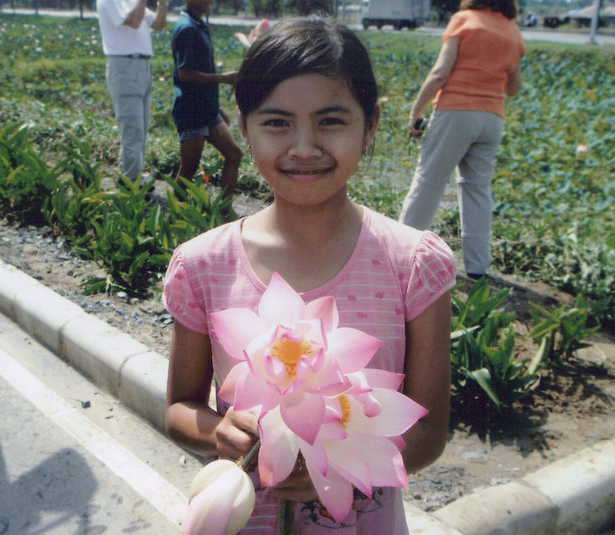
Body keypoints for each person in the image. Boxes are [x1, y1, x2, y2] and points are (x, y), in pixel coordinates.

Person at [162, 19, 455, 534]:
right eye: (276, 122)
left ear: (371, 126)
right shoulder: (203, 265)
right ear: (244, 125)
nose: (303, 146)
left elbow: (429, 432)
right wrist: (219, 433)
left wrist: (333, 463)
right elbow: (180, 408)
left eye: (331, 122)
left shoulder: (412, 264)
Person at [399, 0, 524, 279]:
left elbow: (440, 73)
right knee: (477, 189)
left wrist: (416, 109)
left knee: (429, 181)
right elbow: (513, 87)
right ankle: (478, 267)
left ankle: (401, 255)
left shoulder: (464, 19)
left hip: (456, 112)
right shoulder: (513, 30)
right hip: (492, 118)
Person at [171, 0, 243, 197]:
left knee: (234, 154)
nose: (211, 1)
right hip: (191, 110)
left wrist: (217, 107)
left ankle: (224, 211)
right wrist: (224, 79)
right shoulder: (187, 29)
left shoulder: (198, 25)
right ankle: (172, 215)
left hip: (206, 107)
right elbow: (184, 74)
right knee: (189, 168)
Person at [96, 0, 167, 183]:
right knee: (132, 129)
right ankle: (130, 181)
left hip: (142, 65)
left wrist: (162, 4)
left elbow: (158, 24)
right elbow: (134, 22)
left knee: (141, 127)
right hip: (124, 65)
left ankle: (133, 175)